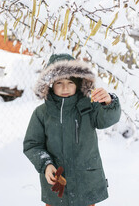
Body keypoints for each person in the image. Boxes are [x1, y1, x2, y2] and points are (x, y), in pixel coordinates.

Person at [23, 53, 121, 206]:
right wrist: (46, 164)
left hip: (86, 185)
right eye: (59, 83)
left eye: (70, 82)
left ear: (78, 83)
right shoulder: (42, 113)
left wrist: (109, 102)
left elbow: (108, 119)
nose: (65, 88)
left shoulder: (89, 107)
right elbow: (32, 145)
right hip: (56, 186)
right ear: (50, 84)